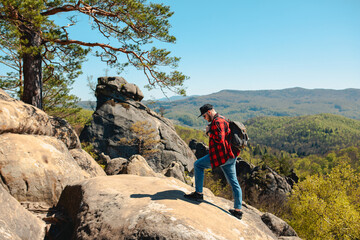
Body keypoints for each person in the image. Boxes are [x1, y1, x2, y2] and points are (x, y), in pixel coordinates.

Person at [184, 104, 243, 220]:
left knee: (198, 165)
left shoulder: (217, 122)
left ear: (209, 112)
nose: (204, 118)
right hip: (230, 156)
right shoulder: (223, 118)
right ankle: (238, 211)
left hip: (221, 156)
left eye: (204, 116)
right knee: (234, 182)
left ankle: (199, 194)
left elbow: (219, 140)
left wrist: (208, 132)